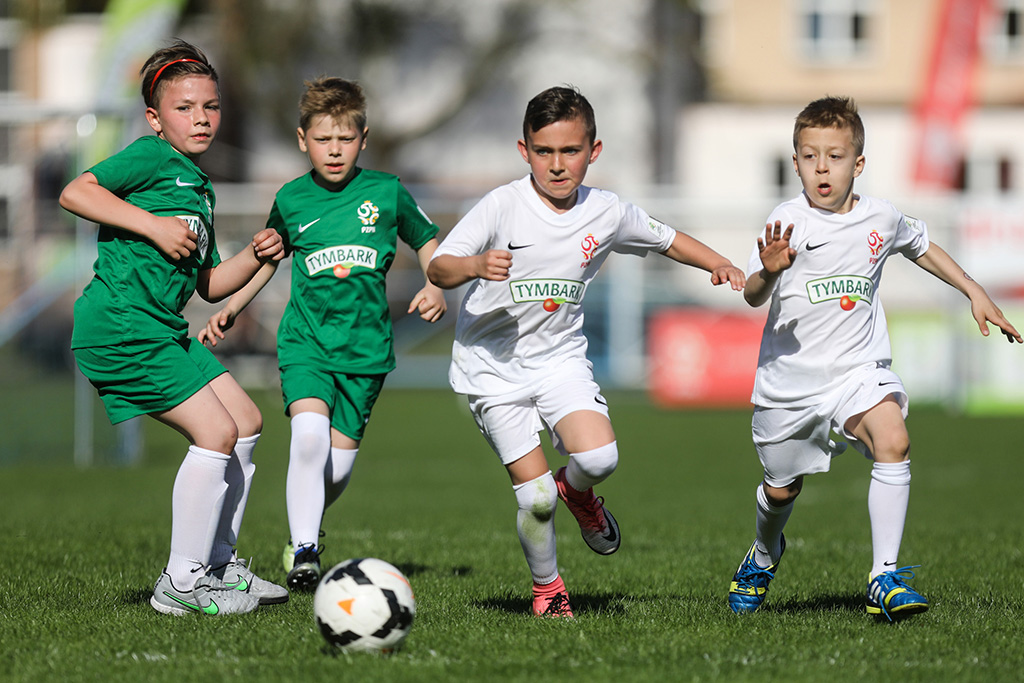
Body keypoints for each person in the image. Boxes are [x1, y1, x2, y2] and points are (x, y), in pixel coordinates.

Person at [427, 85, 746, 618]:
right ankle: (549, 589)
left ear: (593, 151)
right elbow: (439, 266)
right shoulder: (502, 205)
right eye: (544, 151)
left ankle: (580, 494)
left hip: (558, 361)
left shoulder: (606, 211)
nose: (557, 165)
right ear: (524, 150)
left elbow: (667, 238)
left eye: (569, 151)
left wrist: (718, 262)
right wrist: (475, 266)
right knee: (534, 500)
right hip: (492, 370)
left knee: (599, 457)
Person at [728, 95, 1022, 621]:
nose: (822, 167)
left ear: (857, 163)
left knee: (894, 439)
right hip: (789, 384)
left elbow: (923, 244)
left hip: (857, 373)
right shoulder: (786, 220)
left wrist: (973, 290)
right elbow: (752, 294)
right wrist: (769, 271)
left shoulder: (880, 217)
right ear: (794, 162)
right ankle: (765, 553)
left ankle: (884, 576)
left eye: (835, 156)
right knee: (781, 490)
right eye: (810, 155)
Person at [59, 40, 289, 616]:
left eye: (210, 106)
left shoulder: (198, 186)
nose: (202, 118)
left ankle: (217, 567)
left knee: (246, 420)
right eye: (185, 108)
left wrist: (263, 255)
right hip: (120, 324)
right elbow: (75, 191)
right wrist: (153, 227)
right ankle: (181, 583)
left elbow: (210, 283)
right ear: (156, 120)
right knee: (216, 433)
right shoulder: (150, 157)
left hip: (160, 329)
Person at [199, 77, 446, 591]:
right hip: (306, 345)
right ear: (301, 140)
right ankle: (306, 554)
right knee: (308, 440)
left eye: (345, 139)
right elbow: (268, 258)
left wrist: (435, 284)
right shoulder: (291, 198)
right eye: (323, 139)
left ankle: (302, 531)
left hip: (366, 354)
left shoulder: (386, 192)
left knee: (335, 472)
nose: (334, 150)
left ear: (363, 138)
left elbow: (428, 241)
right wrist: (233, 305)